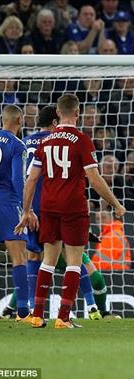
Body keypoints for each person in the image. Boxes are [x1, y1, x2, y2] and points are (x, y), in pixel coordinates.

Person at [16, 94, 126, 329]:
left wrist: (26, 210)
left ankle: (37, 315)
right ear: (77, 113)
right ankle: (63, 317)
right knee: (75, 262)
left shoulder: (45, 143)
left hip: (49, 207)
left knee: (47, 261)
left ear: (58, 113)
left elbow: (31, 180)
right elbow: (94, 179)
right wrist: (115, 204)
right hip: (74, 207)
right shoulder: (82, 141)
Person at [0, 105, 30, 323]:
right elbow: (19, 180)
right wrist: (27, 210)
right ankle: (22, 311)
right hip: (8, 204)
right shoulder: (17, 145)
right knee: (20, 257)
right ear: (19, 120)